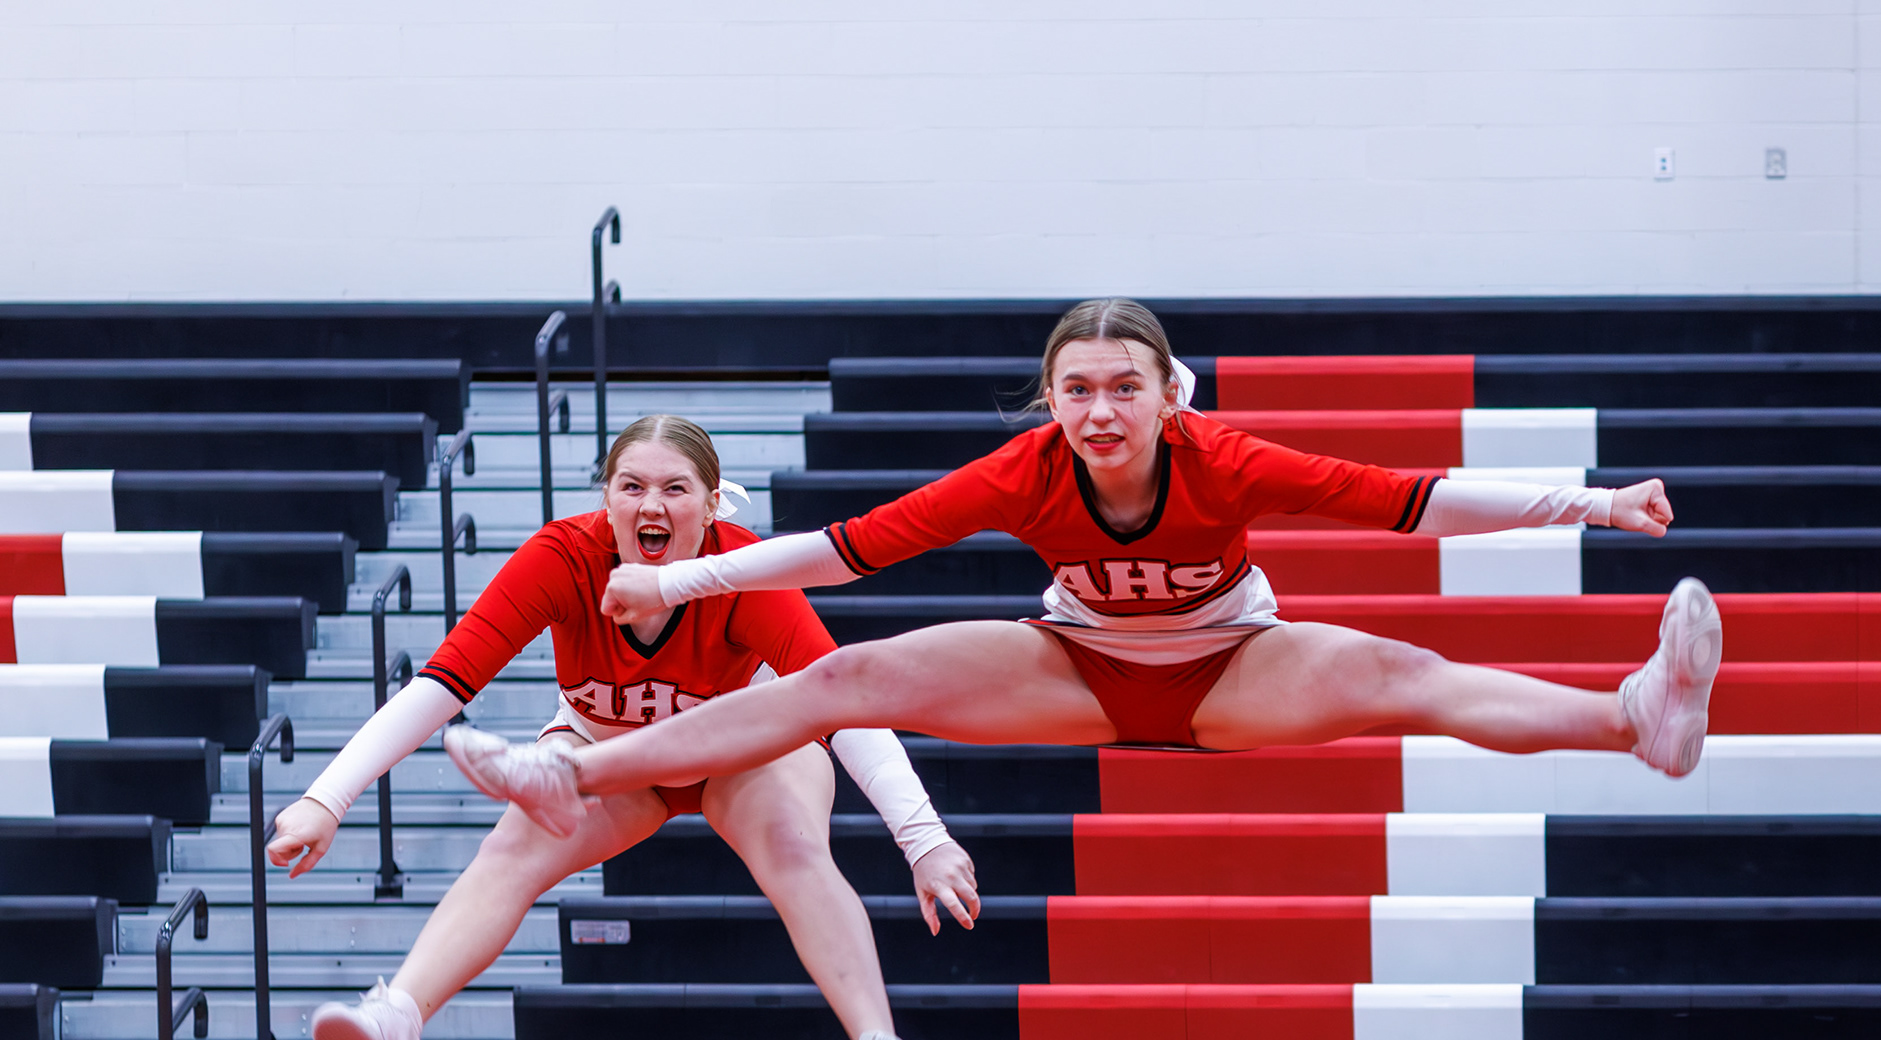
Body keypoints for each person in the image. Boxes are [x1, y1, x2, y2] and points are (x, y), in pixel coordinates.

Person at [443, 299, 1718, 843]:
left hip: (1232, 666)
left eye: (1123, 388)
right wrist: (680, 584)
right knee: (845, 679)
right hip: (1073, 665)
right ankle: (573, 771)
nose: (1100, 412)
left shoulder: (1225, 460)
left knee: (1409, 675)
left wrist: (1593, 503)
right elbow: (849, 550)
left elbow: (1406, 502)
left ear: (1170, 395)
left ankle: (1637, 718)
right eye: (1076, 390)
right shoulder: (1025, 471)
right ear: (1050, 400)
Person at [267, 416, 976, 1040]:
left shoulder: (744, 568)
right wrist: (328, 797)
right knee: (511, 847)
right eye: (631, 486)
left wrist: (924, 839)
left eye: (675, 489)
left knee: (792, 848)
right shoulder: (563, 557)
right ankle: (399, 1018)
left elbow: (847, 701)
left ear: (712, 504)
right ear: (606, 499)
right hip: (609, 754)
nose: (651, 505)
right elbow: (445, 681)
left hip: (744, 753)